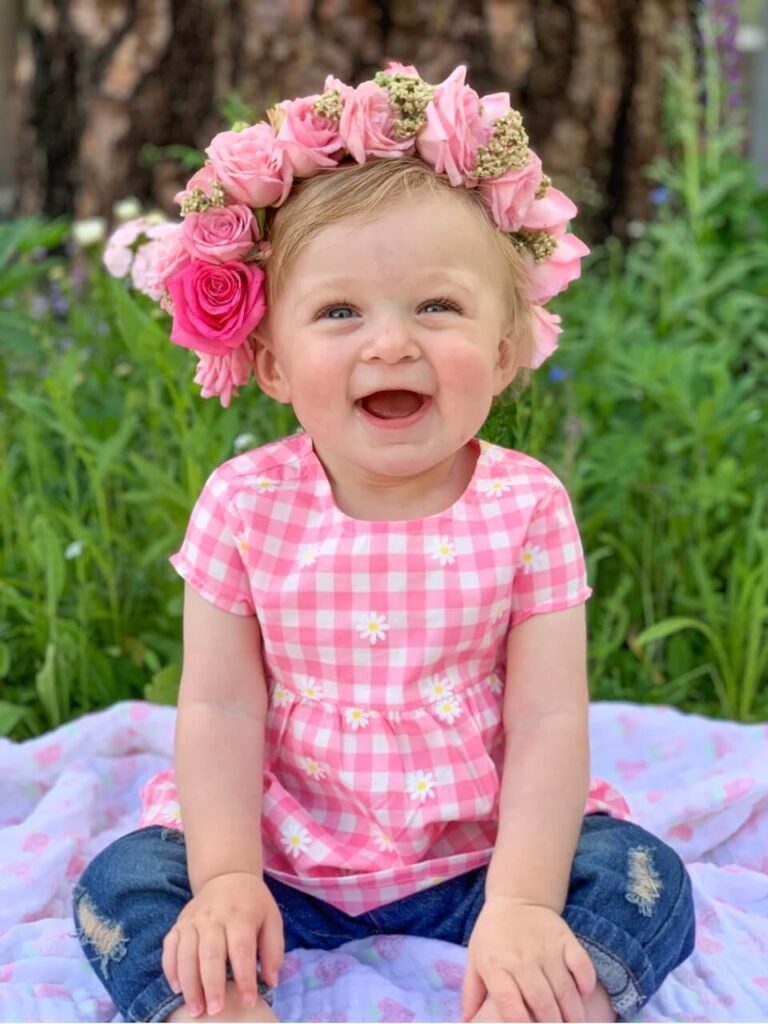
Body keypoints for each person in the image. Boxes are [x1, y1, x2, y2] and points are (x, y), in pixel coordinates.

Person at [72, 64, 696, 1023]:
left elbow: (546, 722)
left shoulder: (527, 504)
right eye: (339, 312)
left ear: (503, 348)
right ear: (272, 360)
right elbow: (222, 709)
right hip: (284, 858)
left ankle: (534, 995)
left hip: (482, 855)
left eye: (437, 307)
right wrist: (231, 875)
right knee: (123, 884)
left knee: (641, 877)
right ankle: (214, 1003)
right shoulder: (245, 502)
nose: (391, 344)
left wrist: (524, 899)